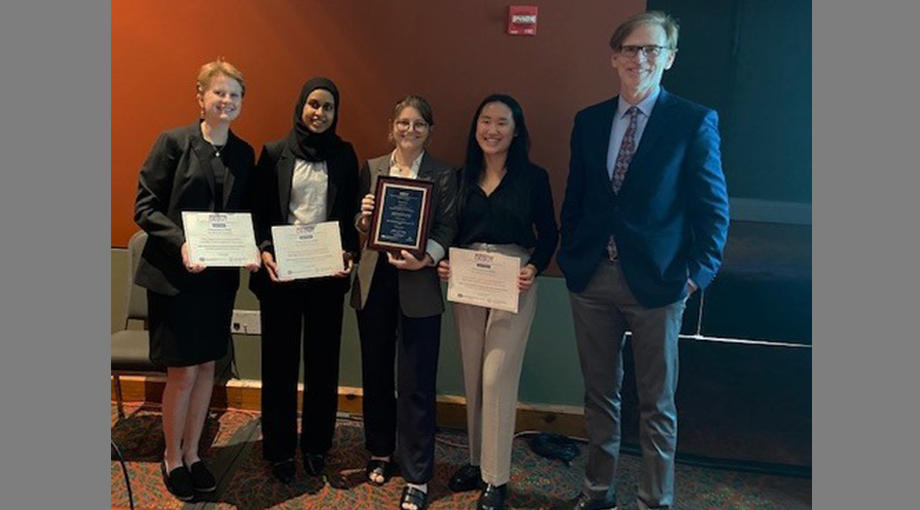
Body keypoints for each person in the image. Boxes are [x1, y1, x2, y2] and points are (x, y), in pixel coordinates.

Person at [554, 11, 729, 510]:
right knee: (599, 397)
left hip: (659, 283)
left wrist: (698, 275)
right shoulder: (588, 121)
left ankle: (655, 500)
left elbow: (713, 208)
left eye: (653, 50)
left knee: (657, 404)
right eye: (631, 49)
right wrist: (571, 257)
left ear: (669, 59)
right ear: (614, 58)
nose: (641, 59)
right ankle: (597, 491)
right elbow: (578, 197)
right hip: (592, 279)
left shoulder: (694, 121)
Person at [133, 59, 258, 502]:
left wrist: (251, 249)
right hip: (175, 276)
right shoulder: (173, 142)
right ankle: (171, 456)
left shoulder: (244, 153)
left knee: (208, 368)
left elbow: (245, 214)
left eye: (235, 95)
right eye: (219, 93)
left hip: (217, 280)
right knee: (182, 373)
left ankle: (193, 452)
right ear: (200, 96)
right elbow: (145, 207)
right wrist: (182, 243)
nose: (226, 101)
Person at [437, 94, 558, 510]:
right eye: (485, 121)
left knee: (496, 378)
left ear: (517, 130)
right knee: (472, 375)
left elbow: (550, 234)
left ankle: (497, 478)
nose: (491, 129)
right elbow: (449, 229)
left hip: (514, 279)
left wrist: (535, 267)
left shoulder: (533, 178)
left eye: (501, 122)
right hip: (468, 277)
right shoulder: (459, 176)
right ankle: (475, 461)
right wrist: (445, 262)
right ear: (475, 128)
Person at [249, 78, 359, 484]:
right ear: (301, 106)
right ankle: (279, 448)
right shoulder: (274, 153)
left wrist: (349, 250)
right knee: (278, 364)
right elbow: (259, 212)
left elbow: (349, 216)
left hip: (326, 275)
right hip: (282, 275)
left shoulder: (345, 157)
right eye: (314, 104)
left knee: (322, 364)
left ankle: (316, 446)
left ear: (335, 113)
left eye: (328, 107)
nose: (320, 113)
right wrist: (263, 250)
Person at [351, 95, 458, 510]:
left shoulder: (444, 174)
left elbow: (449, 226)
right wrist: (363, 218)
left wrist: (425, 256)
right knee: (375, 373)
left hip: (419, 284)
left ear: (430, 130)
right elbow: (362, 226)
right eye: (403, 123)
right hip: (374, 282)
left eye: (419, 125)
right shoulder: (372, 168)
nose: (410, 130)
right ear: (391, 125)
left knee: (416, 382)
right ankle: (380, 451)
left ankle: (417, 474)